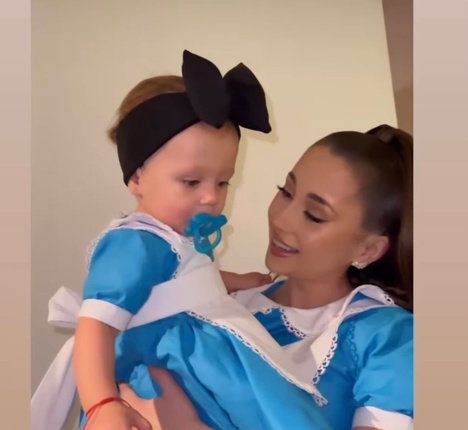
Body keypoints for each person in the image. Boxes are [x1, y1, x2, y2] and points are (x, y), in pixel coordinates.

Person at [31, 50, 333, 430]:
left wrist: (234, 281)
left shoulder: (174, 238)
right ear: (137, 177)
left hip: (198, 361)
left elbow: (180, 285)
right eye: (191, 181)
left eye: (223, 182)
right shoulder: (134, 241)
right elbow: (95, 326)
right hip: (170, 365)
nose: (210, 196)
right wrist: (102, 404)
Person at [119, 124, 415, 430]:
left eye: (314, 215)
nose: (282, 219)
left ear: (368, 249)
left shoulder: (390, 340)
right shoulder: (222, 304)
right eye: (286, 192)